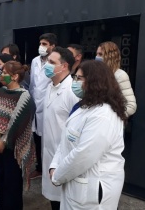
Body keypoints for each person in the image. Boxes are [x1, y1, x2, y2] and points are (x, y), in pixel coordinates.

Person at [49, 60, 127, 209]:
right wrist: (54, 166)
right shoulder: (83, 107)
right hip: (75, 185)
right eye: (75, 77)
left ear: (95, 82)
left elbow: (84, 154)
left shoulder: (103, 115)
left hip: (92, 191)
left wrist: (58, 175)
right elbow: (65, 140)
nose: (74, 81)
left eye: (79, 78)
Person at [0, 61, 36, 210]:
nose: (1, 75)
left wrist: (4, 142)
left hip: (13, 151)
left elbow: (18, 124)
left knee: (12, 187)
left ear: (15, 76)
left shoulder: (24, 97)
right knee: (1, 183)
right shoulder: (1, 92)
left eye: (5, 73)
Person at [41, 47, 80, 210]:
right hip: (49, 153)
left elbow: (78, 129)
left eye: (51, 62)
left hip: (64, 157)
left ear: (63, 66)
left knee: (64, 201)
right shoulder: (51, 86)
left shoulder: (73, 91)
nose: (46, 65)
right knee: (53, 200)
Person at [29, 33, 57, 179]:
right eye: (41, 43)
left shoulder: (55, 63)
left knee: (50, 140)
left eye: (45, 44)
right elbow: (33, 84)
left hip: (48, 106)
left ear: (52, 46)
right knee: (37, 139)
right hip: (35, 106)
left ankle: (52, 169)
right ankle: (40, 168)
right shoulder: (34, 61)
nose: (41, 46)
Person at [96, 41, 137, 117]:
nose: (97, 57)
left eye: (100, 54)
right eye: (97, 54)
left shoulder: (120, 75)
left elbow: (131, 106)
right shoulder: (94, 74)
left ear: (110, 56)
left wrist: (113, 117)